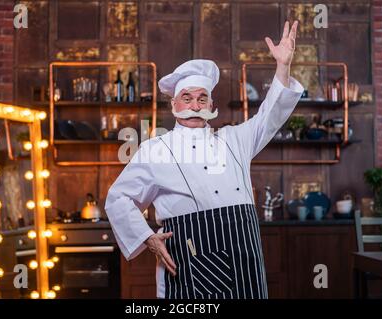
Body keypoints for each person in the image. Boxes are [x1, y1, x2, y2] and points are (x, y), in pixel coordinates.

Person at [105, 20, 304, 299]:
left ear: (211, 106)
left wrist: (283, 66)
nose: (195, 106)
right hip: (189, 264)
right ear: (174, 106)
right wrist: (147, 237)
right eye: (186, 98)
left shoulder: (235, 139)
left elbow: (270, 116)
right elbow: (118, 198)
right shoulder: (154, 150)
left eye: (202, 98)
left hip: (245, 260)